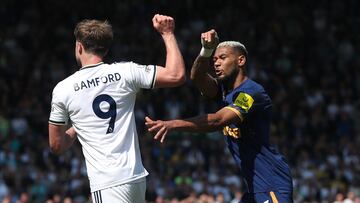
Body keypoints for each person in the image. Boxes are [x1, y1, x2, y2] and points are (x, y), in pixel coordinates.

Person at [48, 14, 185, 203]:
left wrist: (76, 127)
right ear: (105, 49)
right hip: (136, 177)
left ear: (79, 47)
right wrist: (168, 34)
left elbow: (56, 145)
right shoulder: (125, 71)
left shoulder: (64, 89)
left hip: (107, 182)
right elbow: (176, 75)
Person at [145, 29, 293, 203]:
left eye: (222, 58)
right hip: (254, 189)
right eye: (214, 59)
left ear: (241, 60)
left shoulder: (252, 93)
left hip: (272, 185)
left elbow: (218, 120)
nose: (216, 63)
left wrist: (172, 124)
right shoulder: (224, 92)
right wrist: (206, 51)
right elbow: (197, 77)